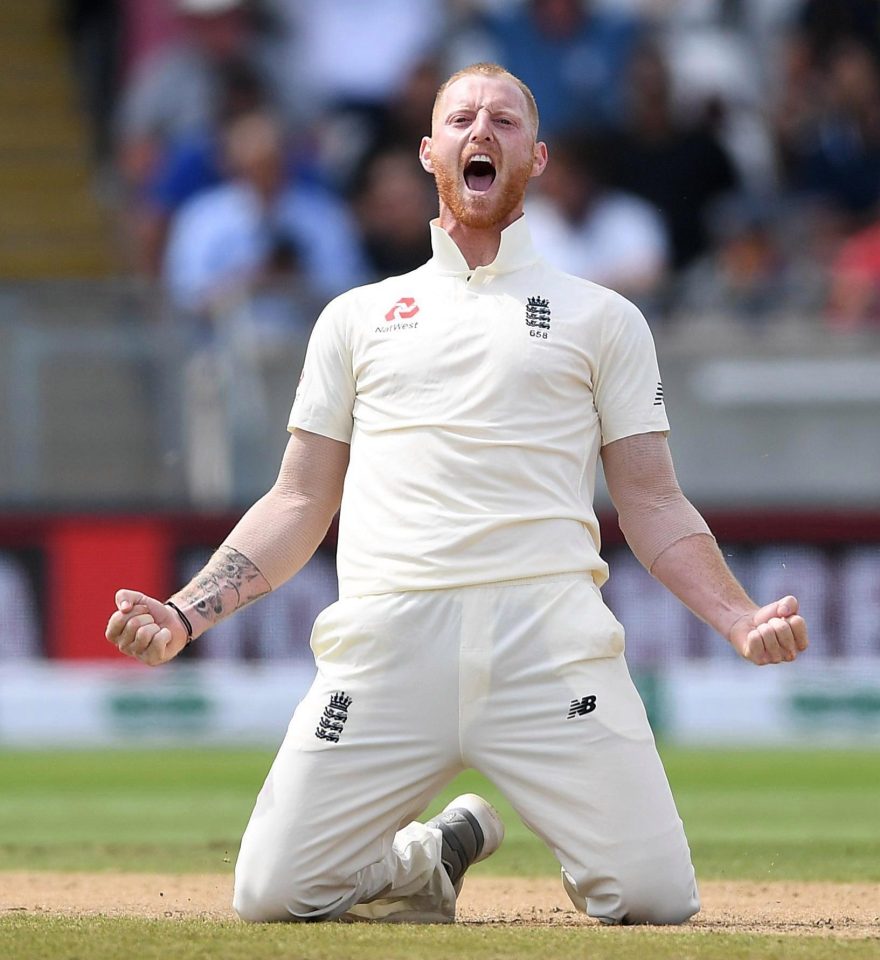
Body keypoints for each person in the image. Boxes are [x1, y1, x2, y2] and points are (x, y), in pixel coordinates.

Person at [105, 63, 809, 926]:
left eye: (506, 120)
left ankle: (444, 847)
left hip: (548, 648)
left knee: (656, 899)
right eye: (464, 118)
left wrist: (739, 619)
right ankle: (427, 856)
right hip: (388, 644)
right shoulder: (357, 317)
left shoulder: (604, 318)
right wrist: (186, 613)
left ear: (537, 156)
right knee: (272, 895)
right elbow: (298, 502)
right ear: (430, 151)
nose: (484, 131)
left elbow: (654, 504)